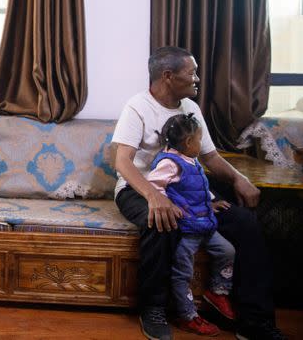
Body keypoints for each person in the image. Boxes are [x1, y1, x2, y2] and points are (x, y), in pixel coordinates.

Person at [113, 46, 285, 340]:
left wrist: (239, 179)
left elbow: (210, 158)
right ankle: (153, 308)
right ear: (168, 76)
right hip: (140, 187)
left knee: (245, 223)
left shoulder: (190, 108)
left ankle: (254, 322)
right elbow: (122, 161)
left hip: (190, 189)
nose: (197, 79)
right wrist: (155, 197)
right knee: (162, 219)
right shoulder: (138, 106)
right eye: (191, 73)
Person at [146, 113, 235, 336]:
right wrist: (166, 203)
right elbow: (153, 185)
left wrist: (211, 202)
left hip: (204, 222)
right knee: (182, 272)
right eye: (200, 139)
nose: (201, 143)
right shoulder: (170, 162)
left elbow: (198, 187)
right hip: (187, 229)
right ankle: (187, 315)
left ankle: (217, 291)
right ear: (188, 142)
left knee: (227, 250)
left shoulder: (190, 159)